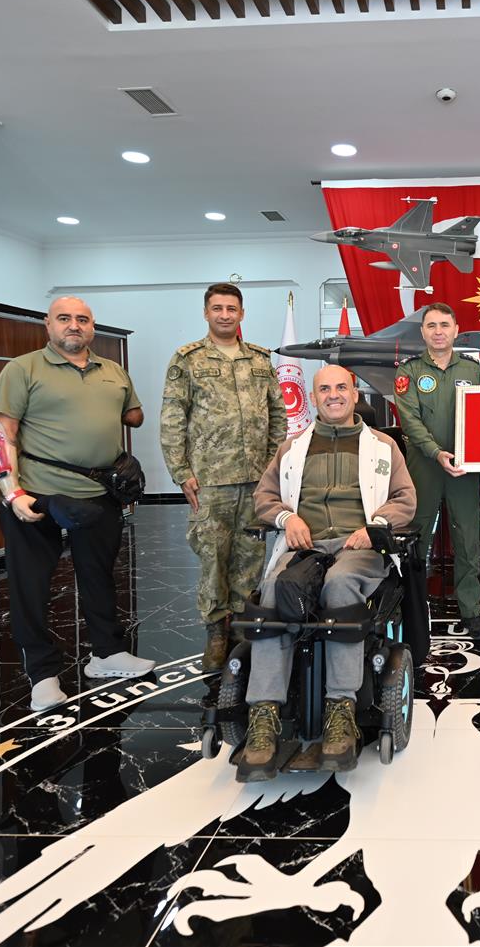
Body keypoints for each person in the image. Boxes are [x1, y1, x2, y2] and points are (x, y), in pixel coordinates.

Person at [239, 366, 416, 781]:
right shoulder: (292, 448)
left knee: (340, 585)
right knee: (273, 591)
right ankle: (263, 714)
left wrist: (375, 526)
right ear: (313, 397)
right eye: (324, 389)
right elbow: (264, 496)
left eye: (341, 388)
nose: (333, 395)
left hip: (360, 547)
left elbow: (406, 499)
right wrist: (287, 518)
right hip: (306, 546)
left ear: (355, 395)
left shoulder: (383, 446)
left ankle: (341, 709)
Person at [0, 295, 155, 712]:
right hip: (37, 495)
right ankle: (42, 674)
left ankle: (107, 654)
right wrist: (12, 492)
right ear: (48, 325)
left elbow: (134, 415)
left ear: (92, 327)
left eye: (82, 319)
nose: (73, 325)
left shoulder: (113, 371)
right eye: (64, 318)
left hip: (99, 494)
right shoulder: (23, 369)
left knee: (99, 577)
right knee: (30, 585)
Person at [160, 283, 287, 670]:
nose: (225, 315)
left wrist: (272, 468)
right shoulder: (188, 359)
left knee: (250, 555)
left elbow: (277, 415)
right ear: (206, 313)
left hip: (255, 479)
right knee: (213, 557)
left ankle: (243, 625)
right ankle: (216, 631)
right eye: (217, 308)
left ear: (242, 314)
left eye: (232, 309)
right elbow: (172, 419)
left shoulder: (260, 359)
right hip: (210, 480)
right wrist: (181, 472)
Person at [393, 303, 480, 641]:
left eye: (444, 325)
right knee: (417, 539)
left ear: (456, 330)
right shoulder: (410, 371)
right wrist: (436, 452)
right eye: (431, 325)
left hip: (464, 468)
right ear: (422, 332)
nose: (438, 331)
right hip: (424, 466)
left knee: (467, 540)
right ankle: (414, 608)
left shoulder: (473, 370)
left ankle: (471, 611)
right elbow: (410, 421)